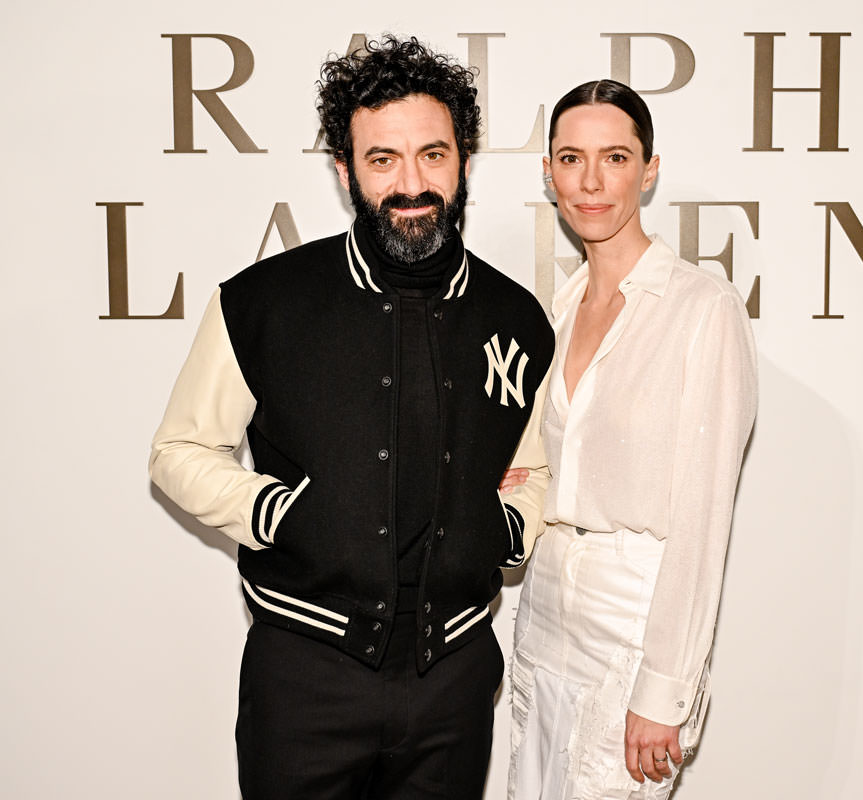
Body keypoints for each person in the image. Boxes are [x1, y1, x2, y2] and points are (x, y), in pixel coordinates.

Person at [149, 35, 553, 800]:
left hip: (456, 682)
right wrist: (276, 511)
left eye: (433, 155)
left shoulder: (517, 317)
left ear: (464, 161)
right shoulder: (261, 303)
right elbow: (178, 450)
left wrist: (504, 530)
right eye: (383, 159)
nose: (412, 183)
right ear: (345, 170)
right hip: (305, 679)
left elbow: (535, 470)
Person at [501, 80, 758, 799]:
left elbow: (704, 516)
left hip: (634, 624)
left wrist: (666, 687)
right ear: (549, 173)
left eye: (614, 157)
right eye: (571, 158)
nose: (591, 181)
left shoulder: (702, 309)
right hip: (544, 612)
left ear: (648, 171)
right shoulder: (553, 311)